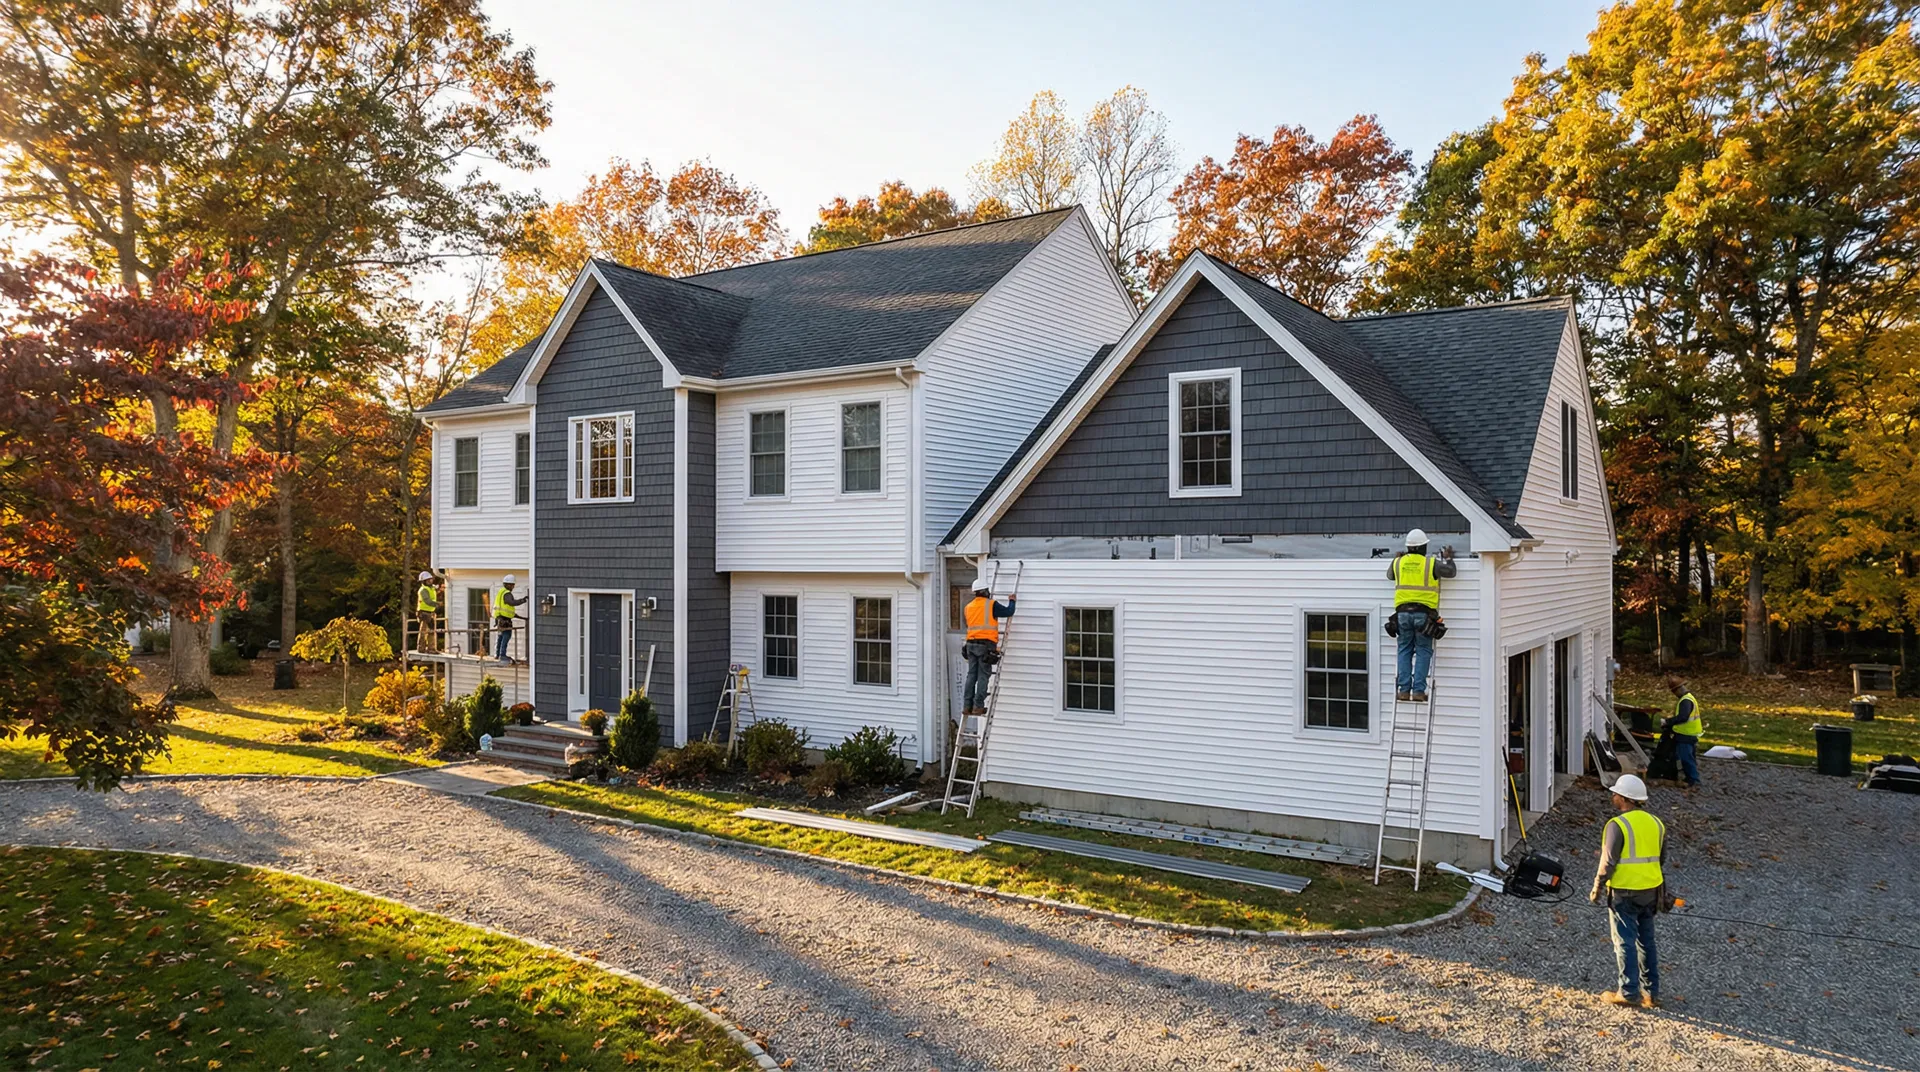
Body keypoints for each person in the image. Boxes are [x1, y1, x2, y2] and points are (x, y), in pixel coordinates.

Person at [1588, 773, 1668, 1008]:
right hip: (1651, 890)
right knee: (1647, 941)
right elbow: (1660, 858)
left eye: (1615, 793)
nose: (1612, 796)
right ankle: (1651, 993)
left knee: (1624, 941)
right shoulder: (1657, 823)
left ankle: (1628, 991)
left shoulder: (1617, 825)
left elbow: (1608, 862)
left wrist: (1597, 886)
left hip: (1624, 891)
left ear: (1624, 798)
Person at [1386, 528, 1456, 701]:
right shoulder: (1431, 563)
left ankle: (1403, 690)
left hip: (1402, 615)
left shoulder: (1398, 562)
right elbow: (1451, 572)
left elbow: (1390, 575)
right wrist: (1448, 557)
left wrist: (1398, 558)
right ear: (1423, 547)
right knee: (1423, 650)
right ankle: (1418, 691)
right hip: (1424, 616)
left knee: (1404, 650)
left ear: (1409, 547)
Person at [960, 577, 1016, 715]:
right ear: (985, 591)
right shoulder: (991, 604)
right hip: (985, 645)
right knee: (983, 676)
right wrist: (1012, 601)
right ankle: (978, 706)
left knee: (971, 675)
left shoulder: (968, 607)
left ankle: (967, 706)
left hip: (970, 645)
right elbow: (1009, 612)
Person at [1662, 676, 1703, 788]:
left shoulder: (1685, 701)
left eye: (1674, 692)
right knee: (1690, 757)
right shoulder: (1690, 698)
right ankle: (1691, 777)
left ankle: (1693, 780)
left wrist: (1667, 722)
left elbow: (1683, 717)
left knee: (1686, 758)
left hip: (1686, 734)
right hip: (1691, 733)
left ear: (1677, 689)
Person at [493, 574, 527, 662]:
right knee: (506, 635)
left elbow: (509, 611)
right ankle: (502, 655)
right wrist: (523, 600)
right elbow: (511, 603)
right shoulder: (507, 594)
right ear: (508, 584)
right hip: (505, 620)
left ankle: (497, 654)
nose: (513, 587)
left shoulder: (501, 592)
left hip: (500, 619)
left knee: (500, 636)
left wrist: (523, 618)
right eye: (512, 585)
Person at [414, 570, 440, 651]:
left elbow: (435, 587)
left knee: (431, 631)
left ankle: (431, 648)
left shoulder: (430, 588)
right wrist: (437, 604)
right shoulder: (423, 590)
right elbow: (428, 601)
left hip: (429, 613)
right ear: (424, 581)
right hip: (424, 613)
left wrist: (440, 587)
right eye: (428, 580)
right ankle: (422, 648)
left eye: (431, 579)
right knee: (424, 631)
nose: (430, 581)